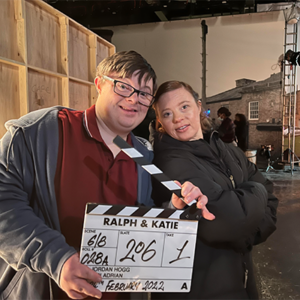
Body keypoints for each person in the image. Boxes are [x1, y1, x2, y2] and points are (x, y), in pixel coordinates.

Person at [0, 51, 210, 300]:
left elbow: (141, 215)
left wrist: (173, 209)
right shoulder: (39, 132)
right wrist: (57, 259)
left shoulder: (144, 153)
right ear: (99, 84)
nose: (134, 99)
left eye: (144, 93)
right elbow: (5, 205)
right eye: (123, 86)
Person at [150, 80, 278, 300]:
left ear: (198, 106)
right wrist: (256, 189)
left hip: (239, 279)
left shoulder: (226, 148)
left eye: (184, 107)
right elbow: (225, 222)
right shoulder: (170, 161)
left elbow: (271, 200)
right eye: (167, 114)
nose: (178, 118)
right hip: (203, 288)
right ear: (160, 120)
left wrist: (248, 231)